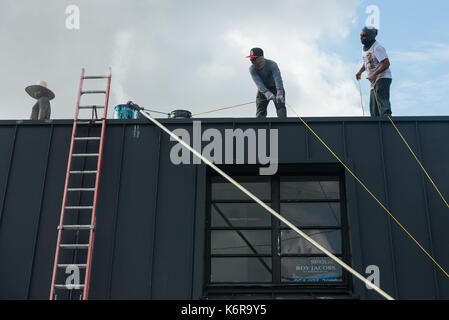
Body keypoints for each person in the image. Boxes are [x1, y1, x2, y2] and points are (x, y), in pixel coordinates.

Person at [356, 26, 392, 117]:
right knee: (373, 104)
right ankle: (375, 122)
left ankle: (386, 118)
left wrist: (374, 74)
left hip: (383, 77)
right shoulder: (364, 49)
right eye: (360, 35)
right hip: (374, 81)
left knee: (381, 97)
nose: (361, 37)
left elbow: (386, 63)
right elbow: (367, 63)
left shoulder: (377, 48)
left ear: (370, 36)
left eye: (363, 36)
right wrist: (360, 72)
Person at [247, 48, 287, 118]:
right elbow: (258, 83)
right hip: (263, 90)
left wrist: (280, 92)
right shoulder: (252, 69)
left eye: (253, 59)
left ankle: (282, 124)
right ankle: (260, 125)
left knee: (280, 107)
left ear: (260, 58)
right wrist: (266, 92)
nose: (252, 61)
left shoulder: (272, 64)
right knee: (260, 110)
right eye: (250, 59)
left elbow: (277, 78)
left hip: (276, 87)